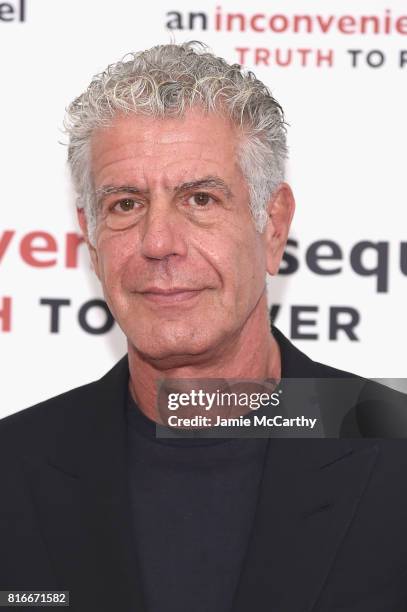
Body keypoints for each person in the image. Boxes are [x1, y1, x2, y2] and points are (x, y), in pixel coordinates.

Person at [1, 41, 407, 612]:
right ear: (90, 237)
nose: (158, 243)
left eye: (200, 198)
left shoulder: (393, 447)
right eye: (125, 204)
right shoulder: (12, 467)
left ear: (272, 225)